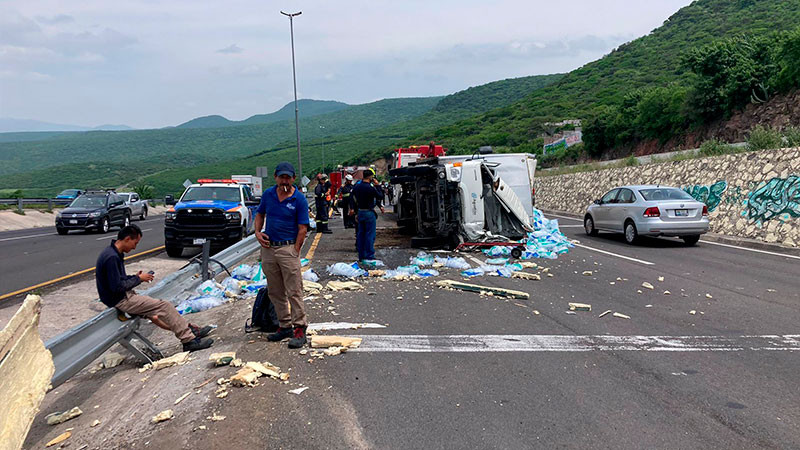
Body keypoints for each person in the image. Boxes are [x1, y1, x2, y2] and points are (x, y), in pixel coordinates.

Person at [96, 224, 213, 352]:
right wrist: (139, 279)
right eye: (135, 243)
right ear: (128, 239)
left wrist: (134, 277)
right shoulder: (111, 257)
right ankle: (189, 340)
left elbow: (119, 279)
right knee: (164, 306)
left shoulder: (114, 253)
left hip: (122, 296)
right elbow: (116, 287)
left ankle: (191, 330)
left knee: (158, 315)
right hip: (121, 300)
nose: (135, 247)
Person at [254, 162, 310, 349]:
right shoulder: (269, 195)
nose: (284, 180)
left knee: (294, 290)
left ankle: (300, 327)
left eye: (288, 177)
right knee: (275, 290)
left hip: (288, 248)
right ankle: (284, 325)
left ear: (293, 178)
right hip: (269, 248)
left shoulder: (299, 199)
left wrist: (295, 249)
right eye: (281, 177)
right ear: (276, 177)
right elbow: (260, 214)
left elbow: (303, 228)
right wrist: (257, 232)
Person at [351, 169, 384, 261]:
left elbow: (352, 198)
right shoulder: (370, 188)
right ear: (370, 177)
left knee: (361, 234)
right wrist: (378, 186)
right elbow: (380, 196)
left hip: (360, 212)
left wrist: (354, 210)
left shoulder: (357, 187)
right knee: (370, 234)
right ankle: (369, 255)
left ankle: (361, 255)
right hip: (369, 212)